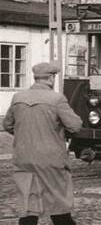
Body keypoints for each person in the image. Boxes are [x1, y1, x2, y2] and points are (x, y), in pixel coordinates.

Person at [2, 62, 82, 225]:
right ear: (51, 78)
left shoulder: (18, 97)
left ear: (35, 78)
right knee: (59, 205)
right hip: (50, 159)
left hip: (23, 157)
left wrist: (26, 135)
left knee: (29, 206)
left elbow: (7, 125)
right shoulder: (56, 98)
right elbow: (75, 126)